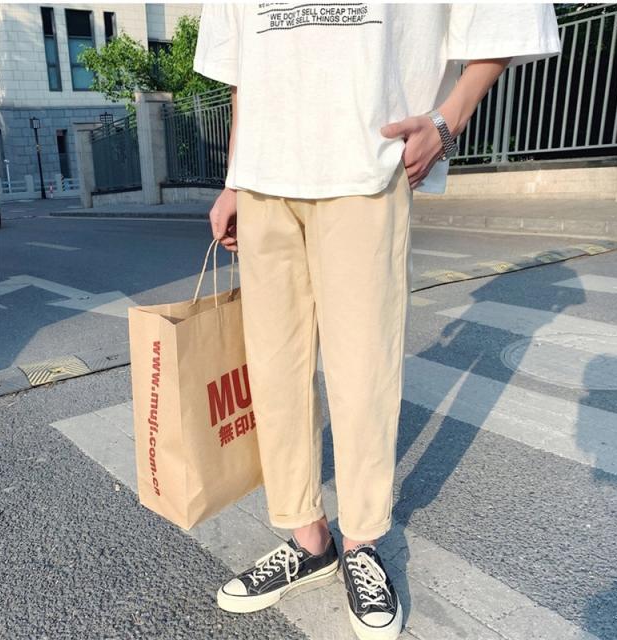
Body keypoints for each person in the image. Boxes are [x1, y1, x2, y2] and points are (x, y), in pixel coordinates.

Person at [193, 4, 560, 638]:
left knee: (363, 373)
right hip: (261, 181)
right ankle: (310, 541)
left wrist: (447, 121)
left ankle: (362, 541)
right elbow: (244, 67)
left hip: (365, 168)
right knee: (274, 374)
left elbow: (508, 14)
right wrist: (233, 178)